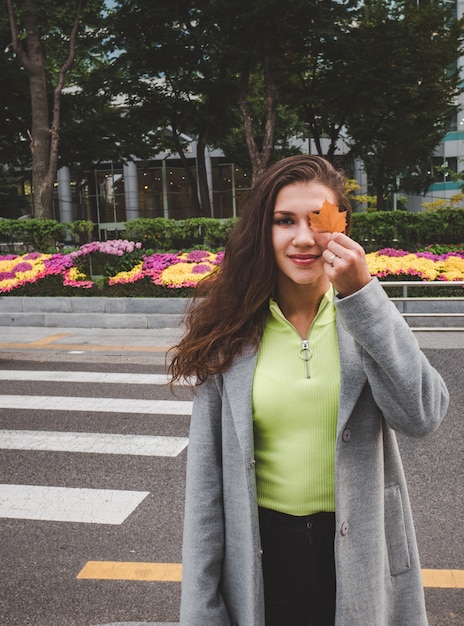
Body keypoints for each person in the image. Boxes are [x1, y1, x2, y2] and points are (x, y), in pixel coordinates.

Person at [169, 154, 449, 626]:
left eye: (318, 219)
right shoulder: (231, 331)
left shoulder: (363, 317)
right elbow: (205, 492)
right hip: (261, 556)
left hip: (361, 551)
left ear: (341, 227)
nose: (303, 238)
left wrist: (362, 297)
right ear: (264, 230)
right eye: (284, 221)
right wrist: (201, 609)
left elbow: (423, 414)